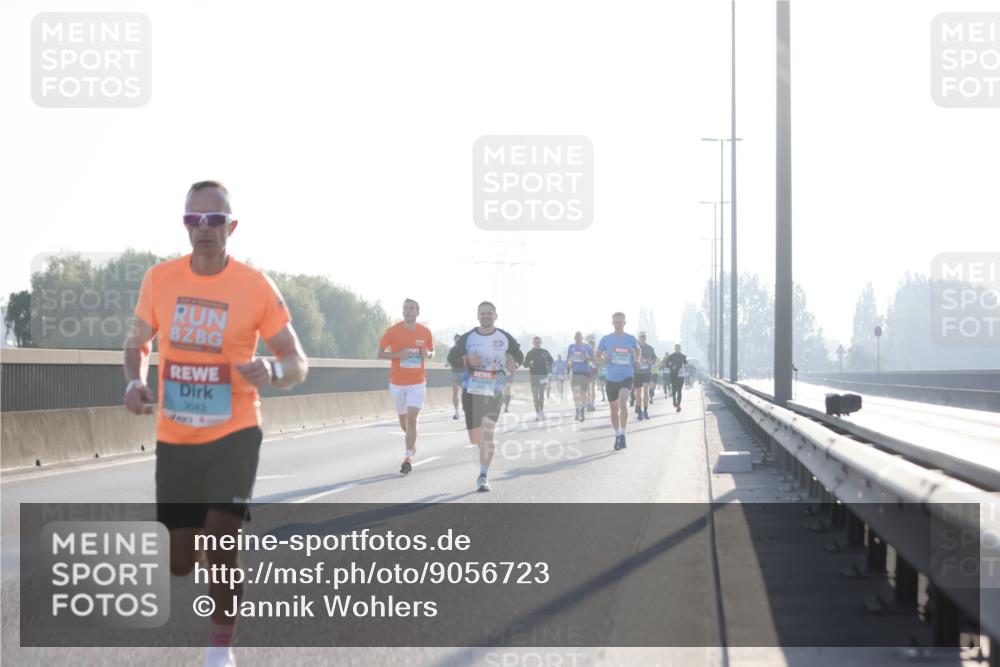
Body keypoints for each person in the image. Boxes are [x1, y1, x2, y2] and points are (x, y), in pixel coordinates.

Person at [124, 181, 308, 667]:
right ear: (184, 224)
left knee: (224, 540)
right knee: (180, 562)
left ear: (232, 227)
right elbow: (137, 344)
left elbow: (296, 360)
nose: (202, 229)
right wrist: (132, 381)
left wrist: (273, 370)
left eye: (213, 220)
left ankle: (219, 651)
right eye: (192, 220)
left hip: (236, 432)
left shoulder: (255, 286)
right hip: (177, 436)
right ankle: (200, 544)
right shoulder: (159, 279)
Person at [447, 301, 523, 492]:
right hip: (472, 389)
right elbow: (451, 359)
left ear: (495, 316)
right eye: (483, 313)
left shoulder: (504, 337)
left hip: (494, 388)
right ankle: (481, 447)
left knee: (487, 432)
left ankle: (483, 475)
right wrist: (466, 360)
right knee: (476, 436)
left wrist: (514, 362)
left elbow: (519, 355)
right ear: (478, 316)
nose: (486, 316)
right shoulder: (468, 337)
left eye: (489, 313)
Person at [377, 299, 434, 475]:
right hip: (397, 383)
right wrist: (398, 355)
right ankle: (412, 441)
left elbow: (432, 352)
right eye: (405, 309)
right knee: (404, 421)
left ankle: (408, 458)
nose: (408, 312)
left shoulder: (425, 332)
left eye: (411, 309)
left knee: (411, 419)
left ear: (418, 312)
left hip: (417, 383)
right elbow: (379, 353)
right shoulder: (393, 331)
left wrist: (428, 354)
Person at [596, 313, 639, 451]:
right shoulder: (606, 339)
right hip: (611, 378)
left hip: (627, 376)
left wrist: (637, 359)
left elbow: (638, 349)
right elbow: (597, 355)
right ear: (612, 323)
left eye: (620, 322)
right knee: (614, 410)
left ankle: (623, 433)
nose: (618, 324)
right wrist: (603, 359)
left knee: (623, 403)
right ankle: (617, 434)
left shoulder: (631, 339)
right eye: (615, 322)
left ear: (624, 323)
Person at [523, 336, 554, 420]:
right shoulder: (530, 353)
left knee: (541, 395)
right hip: (533, 377)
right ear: (533, 343)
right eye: (535, 342)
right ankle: (537, 413)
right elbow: (525, 364)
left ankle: (541, 411)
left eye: (538, 342)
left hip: (543, 376)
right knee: (535, 396)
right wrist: (529, 363)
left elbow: (551, 361)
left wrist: (549, 370)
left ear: (541, 343)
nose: (537, 343)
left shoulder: (545, 352)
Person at [566, 331, 594, 422]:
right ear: (574, 338)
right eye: (576, 336)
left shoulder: (587, 346)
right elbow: (568, 359)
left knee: (583, 392)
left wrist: (586, 358)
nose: (578, 338)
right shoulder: (571, 347)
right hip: (575, 372)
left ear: (582, 337)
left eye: (579, 336)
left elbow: (593, 358)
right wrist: (569, 364)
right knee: (576, 393)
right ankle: (577, 411)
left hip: (585, 371)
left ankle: (582, 412)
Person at [633, 332, 657, 421]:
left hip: (646, 372)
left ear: (645, 338)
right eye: (641, 337)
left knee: (646, 391)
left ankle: (645, 411)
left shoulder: (650, 348)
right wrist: (636, 363)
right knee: (638, 393)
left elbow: (654, 359)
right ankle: (639, 412)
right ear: (638, 338)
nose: (642, 338)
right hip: (637, 373)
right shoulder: (635, 348)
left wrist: (650, 362)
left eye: (644, 337)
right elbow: (631, 359)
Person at [665, 344, 689, 412]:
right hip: (673, 374)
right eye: (676, 348)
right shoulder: (671, 356)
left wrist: (685, 366)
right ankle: (674, 400)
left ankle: (678, 405)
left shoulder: (683, 356)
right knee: (674, 389)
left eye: (679, 348)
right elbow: (666, 364)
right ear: (674, 349)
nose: (677, 349)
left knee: (679, 390)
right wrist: (671, 367)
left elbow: (686, 363)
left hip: (680, 375)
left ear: (680, 349)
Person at [449, 333, 464, 420]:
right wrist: (448, 363)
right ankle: (456, 412)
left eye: (459, 339)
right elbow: (448, 360)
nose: (457, 341)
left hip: (464, 373)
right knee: (455, 392)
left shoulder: (465, 349)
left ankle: (466, 410)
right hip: (454, 372)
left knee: (465, 393)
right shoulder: (451, 349)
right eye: (456, 340)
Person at [586, 336, 598, 411]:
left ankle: (592, 403)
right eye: (590, 344)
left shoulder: (596, 353)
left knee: (592, 388)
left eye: (593, 344)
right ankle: (588, 403)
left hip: (594, 372)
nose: (591, 346)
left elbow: (598, 361)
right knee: (588, 389)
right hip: (587, 372)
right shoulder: (586, 353)